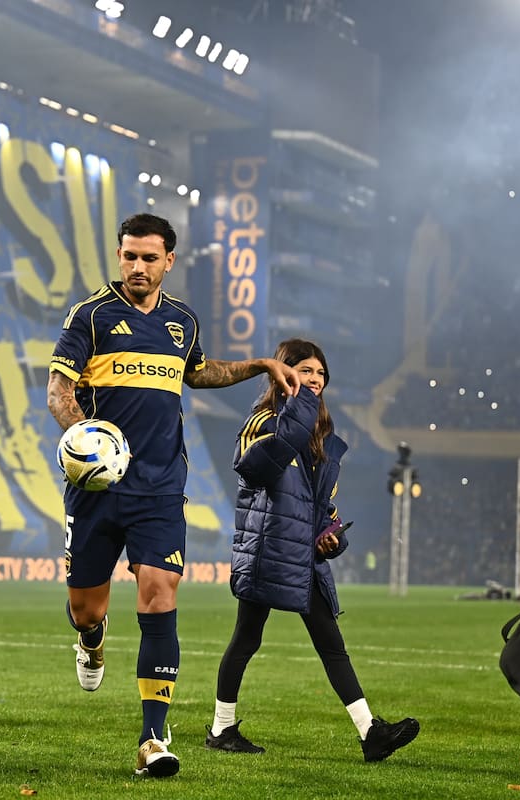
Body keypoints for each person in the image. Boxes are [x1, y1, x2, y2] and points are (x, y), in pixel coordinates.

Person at [46, 213, 300, 778]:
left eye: (148, 258)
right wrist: (83, 435)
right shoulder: (89, 317)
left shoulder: (181, 320)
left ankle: (153, 739)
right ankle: (91, 639)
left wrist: (259, 363)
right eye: (129, 256)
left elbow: (200, 373)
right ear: (120, 257)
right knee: (86, 607)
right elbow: (59, 392)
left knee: (160, 594)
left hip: (161, 487)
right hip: (97, 488)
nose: (137, 267)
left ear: (168, 261)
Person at [205, 338, 419, 762]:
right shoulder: (263, 419)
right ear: (282, 374)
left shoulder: (322, 434)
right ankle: (221, 728)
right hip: (267, 547)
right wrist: (296, 409)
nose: (315, 379)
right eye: (305, 370)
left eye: (320, 373)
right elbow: (254, 467)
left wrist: (333, 537)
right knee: (246, 639)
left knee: (329, 643)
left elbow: (324, 507)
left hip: (301, 554)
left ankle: (369, 732)